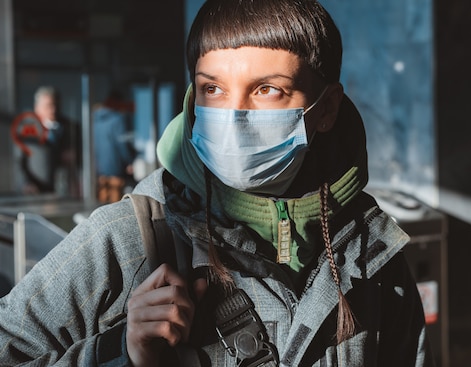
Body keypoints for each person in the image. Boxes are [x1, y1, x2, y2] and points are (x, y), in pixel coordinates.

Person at [0, 1, 433, 366]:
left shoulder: (370, 257)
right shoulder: (131, 237)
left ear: (327, 109)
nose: (234, 116)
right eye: (213, 88)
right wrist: (118, 351)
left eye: (267, 89)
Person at [18, 86, 70, 194]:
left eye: (55, 105)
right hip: (36, 190)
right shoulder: (27, 130)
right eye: (48, 106)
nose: (53, 110)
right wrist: (27, 183)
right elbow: (19, 161)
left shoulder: (70, 127)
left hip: (64, 190)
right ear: (37, 108)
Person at [93, 89, 136, 203]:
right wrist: (129, 161)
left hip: (99, 169)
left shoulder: (95, 119)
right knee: (115, 205)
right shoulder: (118, 119)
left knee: (101, 205)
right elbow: (122, 143)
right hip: (115, 167)